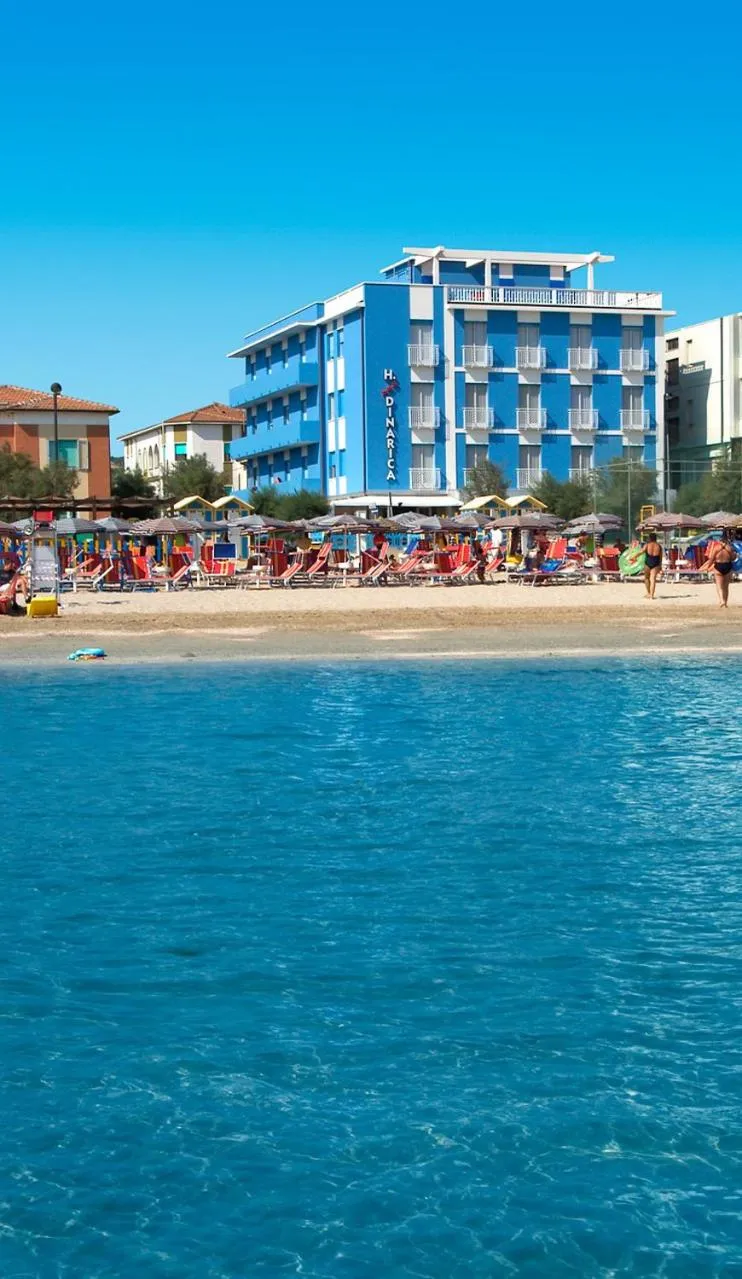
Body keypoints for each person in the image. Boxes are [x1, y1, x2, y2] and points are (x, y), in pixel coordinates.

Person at [702, 533, 736, 608]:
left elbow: (712, 559)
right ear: (726, 541)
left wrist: (707, 567)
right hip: (727, 565)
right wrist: (735, 555)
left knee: (719, 585)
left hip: (718, 566)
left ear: (720, 540)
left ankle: (721, 600)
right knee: (726, 586)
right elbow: (733, 558)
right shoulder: (729, 548)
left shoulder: (716, 548)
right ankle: (725, 602)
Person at [642, 535, 663, 600]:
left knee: (646, 578)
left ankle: (648, 593)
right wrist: (660, 566)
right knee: (653, 579)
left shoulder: (647, 545)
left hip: (647, 563)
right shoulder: (659, 546)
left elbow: (641, 552)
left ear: (650, 538)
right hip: (656, 564)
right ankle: (651, 595)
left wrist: (634, 557)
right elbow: (660, 557)